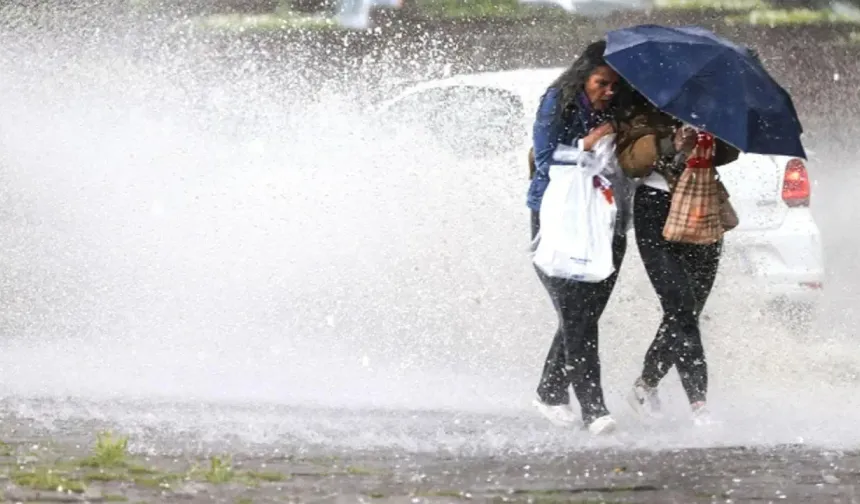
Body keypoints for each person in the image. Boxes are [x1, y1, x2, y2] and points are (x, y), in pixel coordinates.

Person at [614, 89, 740, 425]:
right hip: (655, 211)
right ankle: (699, 403)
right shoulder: (639, 105)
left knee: (689, 310)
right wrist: (672, 143)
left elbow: (731, 152)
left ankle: (644, 385)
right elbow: (630, 162)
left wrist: (715, 132)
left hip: (702, 205)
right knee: (680, 305)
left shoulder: (711, 105)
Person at [527, 40, 634, 436]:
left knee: (585, 314)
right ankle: (594, 409)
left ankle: (550, 392)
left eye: (615, 86)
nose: (608, 92)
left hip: (609, 220)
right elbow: (543, 156)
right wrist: (585, 145)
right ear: (583, 76)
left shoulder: (625, 113)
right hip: (559, 216)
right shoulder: (558, 100)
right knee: (576, 314)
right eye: (601, 83)